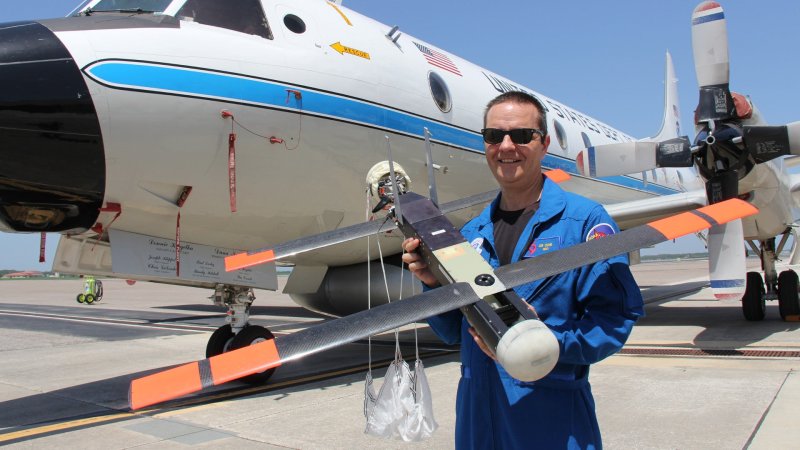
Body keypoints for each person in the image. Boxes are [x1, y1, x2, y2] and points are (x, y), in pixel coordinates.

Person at [402, 91, 644, 449]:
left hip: (551, 421)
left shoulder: (584, 223)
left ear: (544, 144)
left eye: (521, 135)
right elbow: (454, 332)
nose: (506, 146)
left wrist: (545, 346)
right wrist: (433, 283)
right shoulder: (470, 235)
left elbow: (612, 321)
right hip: (478, 421)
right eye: (494, 136)